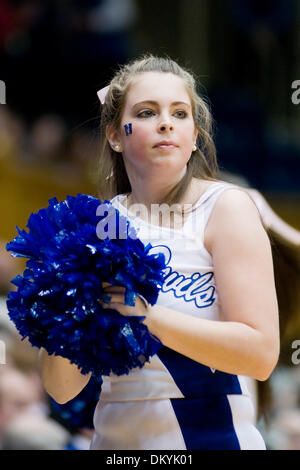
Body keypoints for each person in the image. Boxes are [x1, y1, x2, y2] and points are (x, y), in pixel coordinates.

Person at [39, 54, 280, 450]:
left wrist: (148, 316)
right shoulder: (93, 227)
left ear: (195, 136)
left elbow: (260, 354)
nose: (166, 122)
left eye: (180, 113)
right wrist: (70, 311)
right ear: (116, 135)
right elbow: (61, 388)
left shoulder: (225, 208)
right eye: (147, 112)